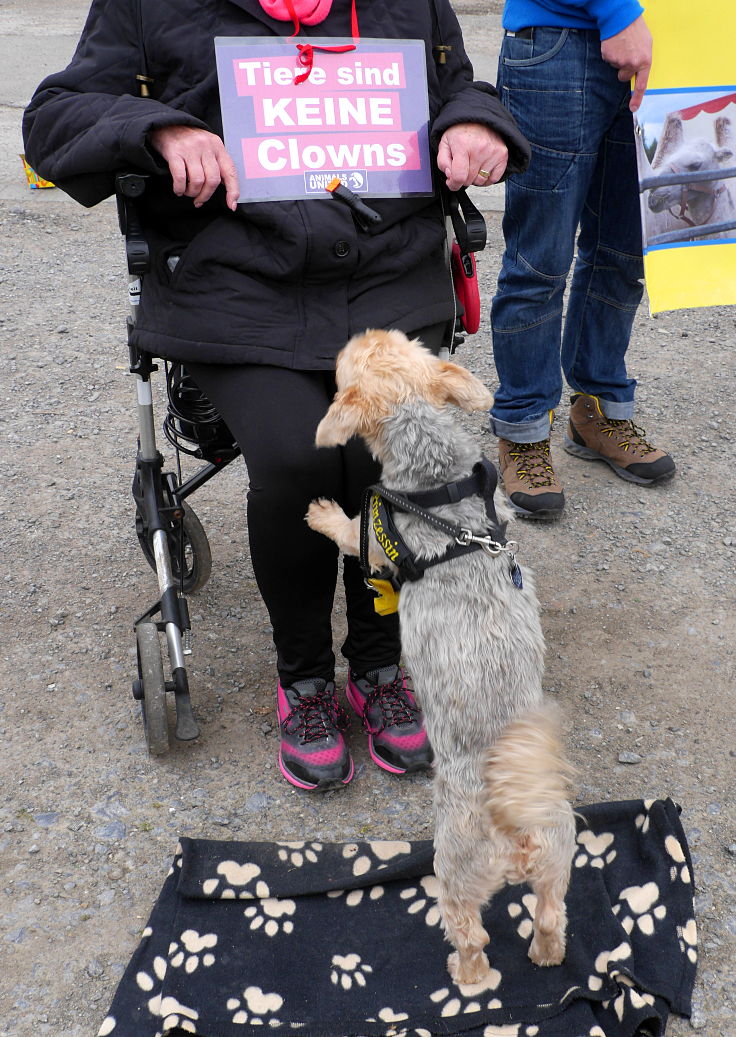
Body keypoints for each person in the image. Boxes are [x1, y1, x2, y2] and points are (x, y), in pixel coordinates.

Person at [24, 0, 530, 791]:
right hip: (235, 282)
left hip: (387, 276)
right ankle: (304, 679)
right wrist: (158, 128)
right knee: (302, 455)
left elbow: (459, 88)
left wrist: (473, 126)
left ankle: (378, 662)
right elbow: (54, 118)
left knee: (394, 444)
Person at [489, 0, 676, 521]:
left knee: (625, 253)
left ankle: (597, 411)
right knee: (539, 260)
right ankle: (523, 429)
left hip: (675, 39)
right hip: (561, 38)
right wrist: (616, 12)